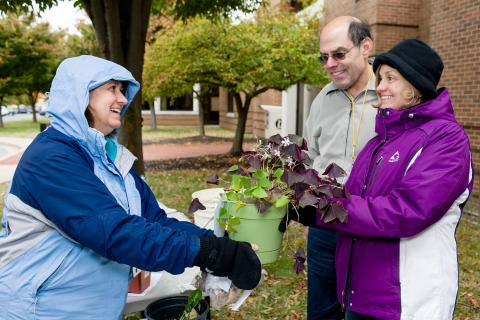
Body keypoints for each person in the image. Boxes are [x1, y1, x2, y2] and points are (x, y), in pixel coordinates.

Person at [0, 55, 261, 319]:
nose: (123, 99)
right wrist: (209, 254)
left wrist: (216, 245)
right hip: (40, 309)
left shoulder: (110, 158)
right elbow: (114, 232)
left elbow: (155, 221)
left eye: (123, 90)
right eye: (111, 89)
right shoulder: (51, 157)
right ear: (79, 93)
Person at [287, 39, 473, 320]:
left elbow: (406, 211)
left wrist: (322, 210)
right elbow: (350, 199)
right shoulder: (379, 142)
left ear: (415, 85)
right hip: (360, 293)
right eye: (379, 78)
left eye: (390, 78)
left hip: (408, 299)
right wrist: (304, 201)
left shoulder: (446, 139)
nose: (380, 87)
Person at [302, 16, 377, 320]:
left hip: (372, 230)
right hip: (324, 227)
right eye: (324, 57)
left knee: (362, 313)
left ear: (366, 47)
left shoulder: (392, 96)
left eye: (339, 54)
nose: (330, 64)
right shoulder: (322, 99)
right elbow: (308, 157)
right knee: (322, 311)